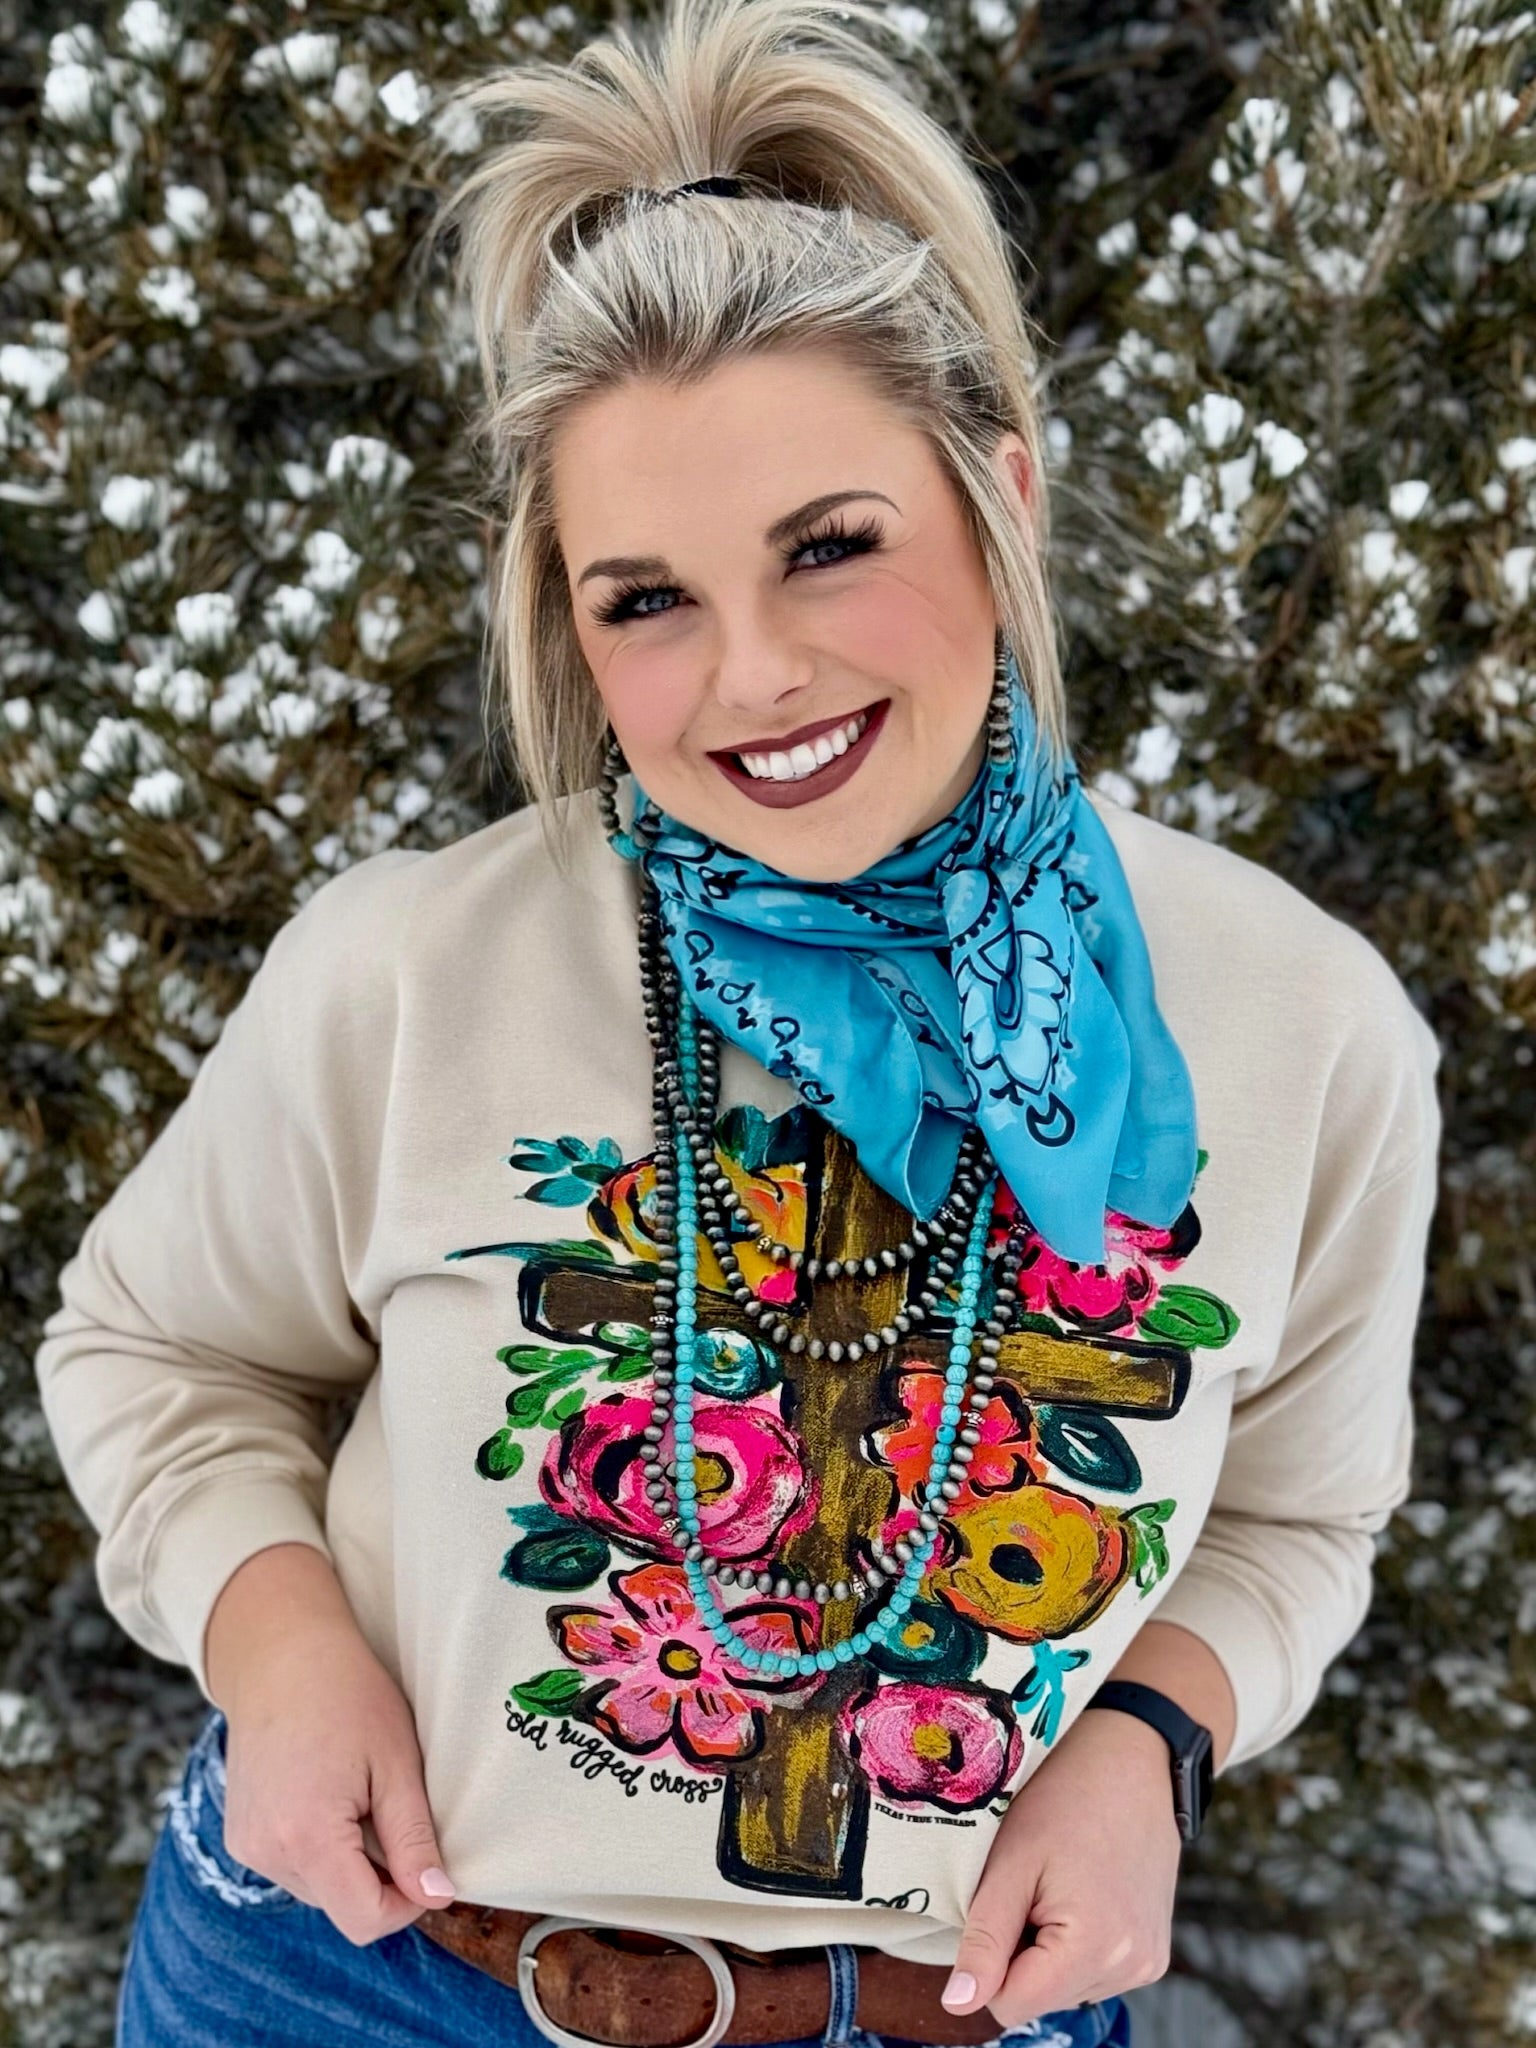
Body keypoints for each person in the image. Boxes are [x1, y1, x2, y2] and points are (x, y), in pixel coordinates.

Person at [33, 1, 1443, 2044]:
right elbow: (159, 1348)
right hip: (354, 1977)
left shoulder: (1301, 1024)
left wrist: (1155, 1737)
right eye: (648, 599)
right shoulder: (413, 968)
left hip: (956, 2006)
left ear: (1002, 499)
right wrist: (277, 1642)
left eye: (832, 550)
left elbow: (1302, 1508)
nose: (754, 674)